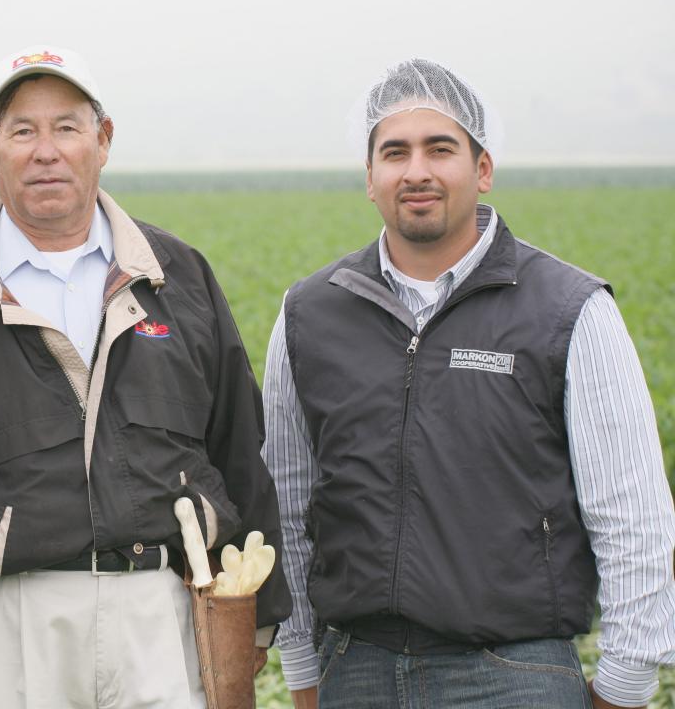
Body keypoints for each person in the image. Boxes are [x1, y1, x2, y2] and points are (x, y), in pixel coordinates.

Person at [263, 57, 675, 709]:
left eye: (441, 148)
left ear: (482, 170)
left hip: (515, 673)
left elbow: (632, 515)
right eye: (394, 151)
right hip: (356, 671)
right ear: (370, 178)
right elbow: (287, 504)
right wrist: (303, 666)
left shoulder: (568, 311)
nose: (417, 170)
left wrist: (625, 684)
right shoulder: (309, 314)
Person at [0, 44, 292, 708]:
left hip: (165, 614)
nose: (45, 151)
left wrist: (260, 614)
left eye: (68, 127)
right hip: (7, 622)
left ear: (102, 140)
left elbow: (239, 449)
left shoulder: (178, 276)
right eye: (22, 130)